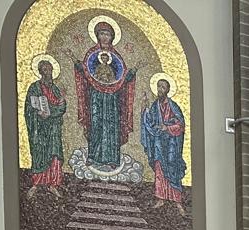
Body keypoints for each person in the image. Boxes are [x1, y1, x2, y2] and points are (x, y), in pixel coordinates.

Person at [73, 19, 136, 170]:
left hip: (113, 99)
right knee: (96, 124)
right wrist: (75, 62)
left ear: (112, 37)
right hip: (95, 97)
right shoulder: (91, 54)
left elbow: (122, 79)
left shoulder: (117, 57)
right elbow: (86, 72)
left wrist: (132, 72)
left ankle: (112, 159)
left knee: (112, 126)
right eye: (102, 34)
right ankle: (93, 156)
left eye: (107, 34)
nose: (105, 37)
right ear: (97, 36)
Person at [140, 76, 187, 210]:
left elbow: (181, 124)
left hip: (172, 144)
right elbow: (150, 122)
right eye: (158, 86)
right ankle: (160, 198)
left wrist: (168, 128)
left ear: (167, 90)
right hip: (159, 143)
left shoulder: (173, 106)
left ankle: (178, 202)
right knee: (159, 170)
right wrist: (145, 108)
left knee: (173, 169)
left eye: (163, 87)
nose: (160, 89)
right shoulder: (155, 105)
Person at [24, 57, 67, 198]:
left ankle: (53, 184)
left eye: (50, 69)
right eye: (45, 69)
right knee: (39, 153)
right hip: (39, 127)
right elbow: (29, 107)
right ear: (40, 71)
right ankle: (36, 184)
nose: (48, 72)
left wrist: (52, 111)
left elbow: (61, 107)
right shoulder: (34, 88)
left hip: (53, 127)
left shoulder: (55, 89)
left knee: (54, 154)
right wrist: (38, 112)